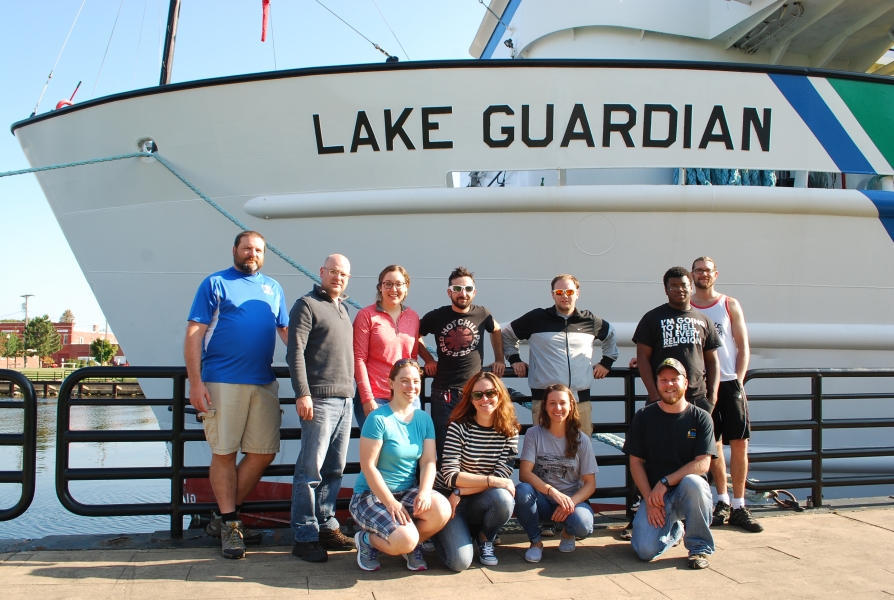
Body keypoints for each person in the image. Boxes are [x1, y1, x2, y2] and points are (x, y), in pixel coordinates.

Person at [184, 230, 289, 559]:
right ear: (235, 250)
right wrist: (196, 382)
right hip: (223, 381)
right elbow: (193, 334)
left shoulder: (274, 289)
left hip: (263, 381)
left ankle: (221, 518)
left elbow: (288, 333)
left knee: (263, 452)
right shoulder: (215, 284)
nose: (252, 254)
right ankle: (231, 523)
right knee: (225, 452)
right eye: (246, 248)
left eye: (258, 250)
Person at [286, 254, 358, 562]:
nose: (338, 277)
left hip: (345, 399)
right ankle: (304, 536)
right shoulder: (306, 305)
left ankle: (327, 525)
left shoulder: (343, 308)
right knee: (310, 470)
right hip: (319, 399)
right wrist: (302, 393)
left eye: (343, 274)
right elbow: (295, 352)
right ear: (322, 272)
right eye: (333, 272)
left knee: (333, 469)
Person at [352, 359, 452, 572]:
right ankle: (367, 541)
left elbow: (428, 462)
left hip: (406, 492)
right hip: (372, 495)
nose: (411, 387)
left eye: (416, 381)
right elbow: (368, 466)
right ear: (391, 383)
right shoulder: (378, 418)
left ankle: (410, 543)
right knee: (405, 539)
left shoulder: (424, 419)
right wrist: (390, 503)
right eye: (404, 381)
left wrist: (424, 492)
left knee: (442, 509)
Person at [690, 256, 762, 533]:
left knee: (739, 442)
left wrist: (739, 380)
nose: (703, 275)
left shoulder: (729, 304)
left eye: (707, 271)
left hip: (730, 381)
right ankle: (721, 500)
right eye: (699, 270)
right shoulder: (688, 307)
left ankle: (739, 504)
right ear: (693, 274)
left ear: (715, 274)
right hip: (703, 383)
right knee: (714, 444)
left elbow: (742, 346)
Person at [623, 358, 717, 569]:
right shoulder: (644, 416)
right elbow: (636, 462)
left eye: (674, 379)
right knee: (645, 551)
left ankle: (699, 548)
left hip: (687, 492)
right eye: (663, 380)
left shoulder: (701, 417)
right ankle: (675, 531)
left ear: (686, 383)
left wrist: (665, 482)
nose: (669, 384)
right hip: (656, 497)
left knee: (694, 483)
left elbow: (703, 463)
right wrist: (649, 498)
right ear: (657, 384)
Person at [503, 273, 618, 436]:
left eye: (569, 292)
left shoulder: (589, 320)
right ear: (552, 295)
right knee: (546, 454)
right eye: (559, 292)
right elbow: (507, 334)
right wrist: (514, 359)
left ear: (577, 293)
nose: (565, 296)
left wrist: (607, 362)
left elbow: (611, 334)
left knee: (581, 452)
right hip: (545, 400)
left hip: (580, 401)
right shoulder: (536, 318)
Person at [433, 372, 519, 570]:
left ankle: (485, 537)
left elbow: (502, 477)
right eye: (477, 395)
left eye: (490, 393)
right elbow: (451, 476)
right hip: (449, 501)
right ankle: (441, 532)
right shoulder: (459, 427)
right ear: (470, 399)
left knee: (504, 499)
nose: (485, 399)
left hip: (469, 497)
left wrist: (461, 491)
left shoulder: (510, 431)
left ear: (500, 395)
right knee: (459, 563)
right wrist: (488, 481)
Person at [419, 266, 506, 460]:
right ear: (449, 292)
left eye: (467, 289)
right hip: (444, 393)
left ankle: (470, 487)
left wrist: (500, 359)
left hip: (475, 393)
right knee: (444, 447)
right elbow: (414, 335)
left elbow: (496, 330)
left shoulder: (483, 314)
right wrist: (428, 359)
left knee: (473, 446)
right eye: (457, 289)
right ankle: (445, 488)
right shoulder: (436, 316)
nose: (462, 293)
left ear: (474, 292)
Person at [515, 383, 597, 563]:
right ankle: (535, 542)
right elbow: (525, 473)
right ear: (544, 405)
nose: (557, 408)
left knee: (583, 524)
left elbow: (590, 483)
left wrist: (569, 502)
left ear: (571, 406)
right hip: (543, 500)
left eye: (562, 403)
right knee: (521, 491)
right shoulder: (534, 434)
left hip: (570, 501)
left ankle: (568, 533)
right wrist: (553, 492)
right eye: (552, 403)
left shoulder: (581, 440)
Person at [353, 265, 433, 429]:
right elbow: (359, 359)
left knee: (411, 450)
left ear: (406, 287)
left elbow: (412, 358)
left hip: (407, 396)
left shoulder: (413, 316)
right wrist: (367, 398)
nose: (393, 289)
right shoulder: (366, 315)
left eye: (399, 284)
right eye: (388, 284)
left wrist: (430, 360)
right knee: (381, 451)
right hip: (376, 396)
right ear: (380, 287)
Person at [633, 266, 721, 413]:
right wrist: (655, 397)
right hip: (663, 397)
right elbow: (643, 358)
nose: (679, 289)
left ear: (691, 287)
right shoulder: (651, 319)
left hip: (697, 398)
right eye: (673, 286)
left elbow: (713, 361)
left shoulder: (704, 320)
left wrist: (712, 398)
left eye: (683, 285)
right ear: (665, 290)